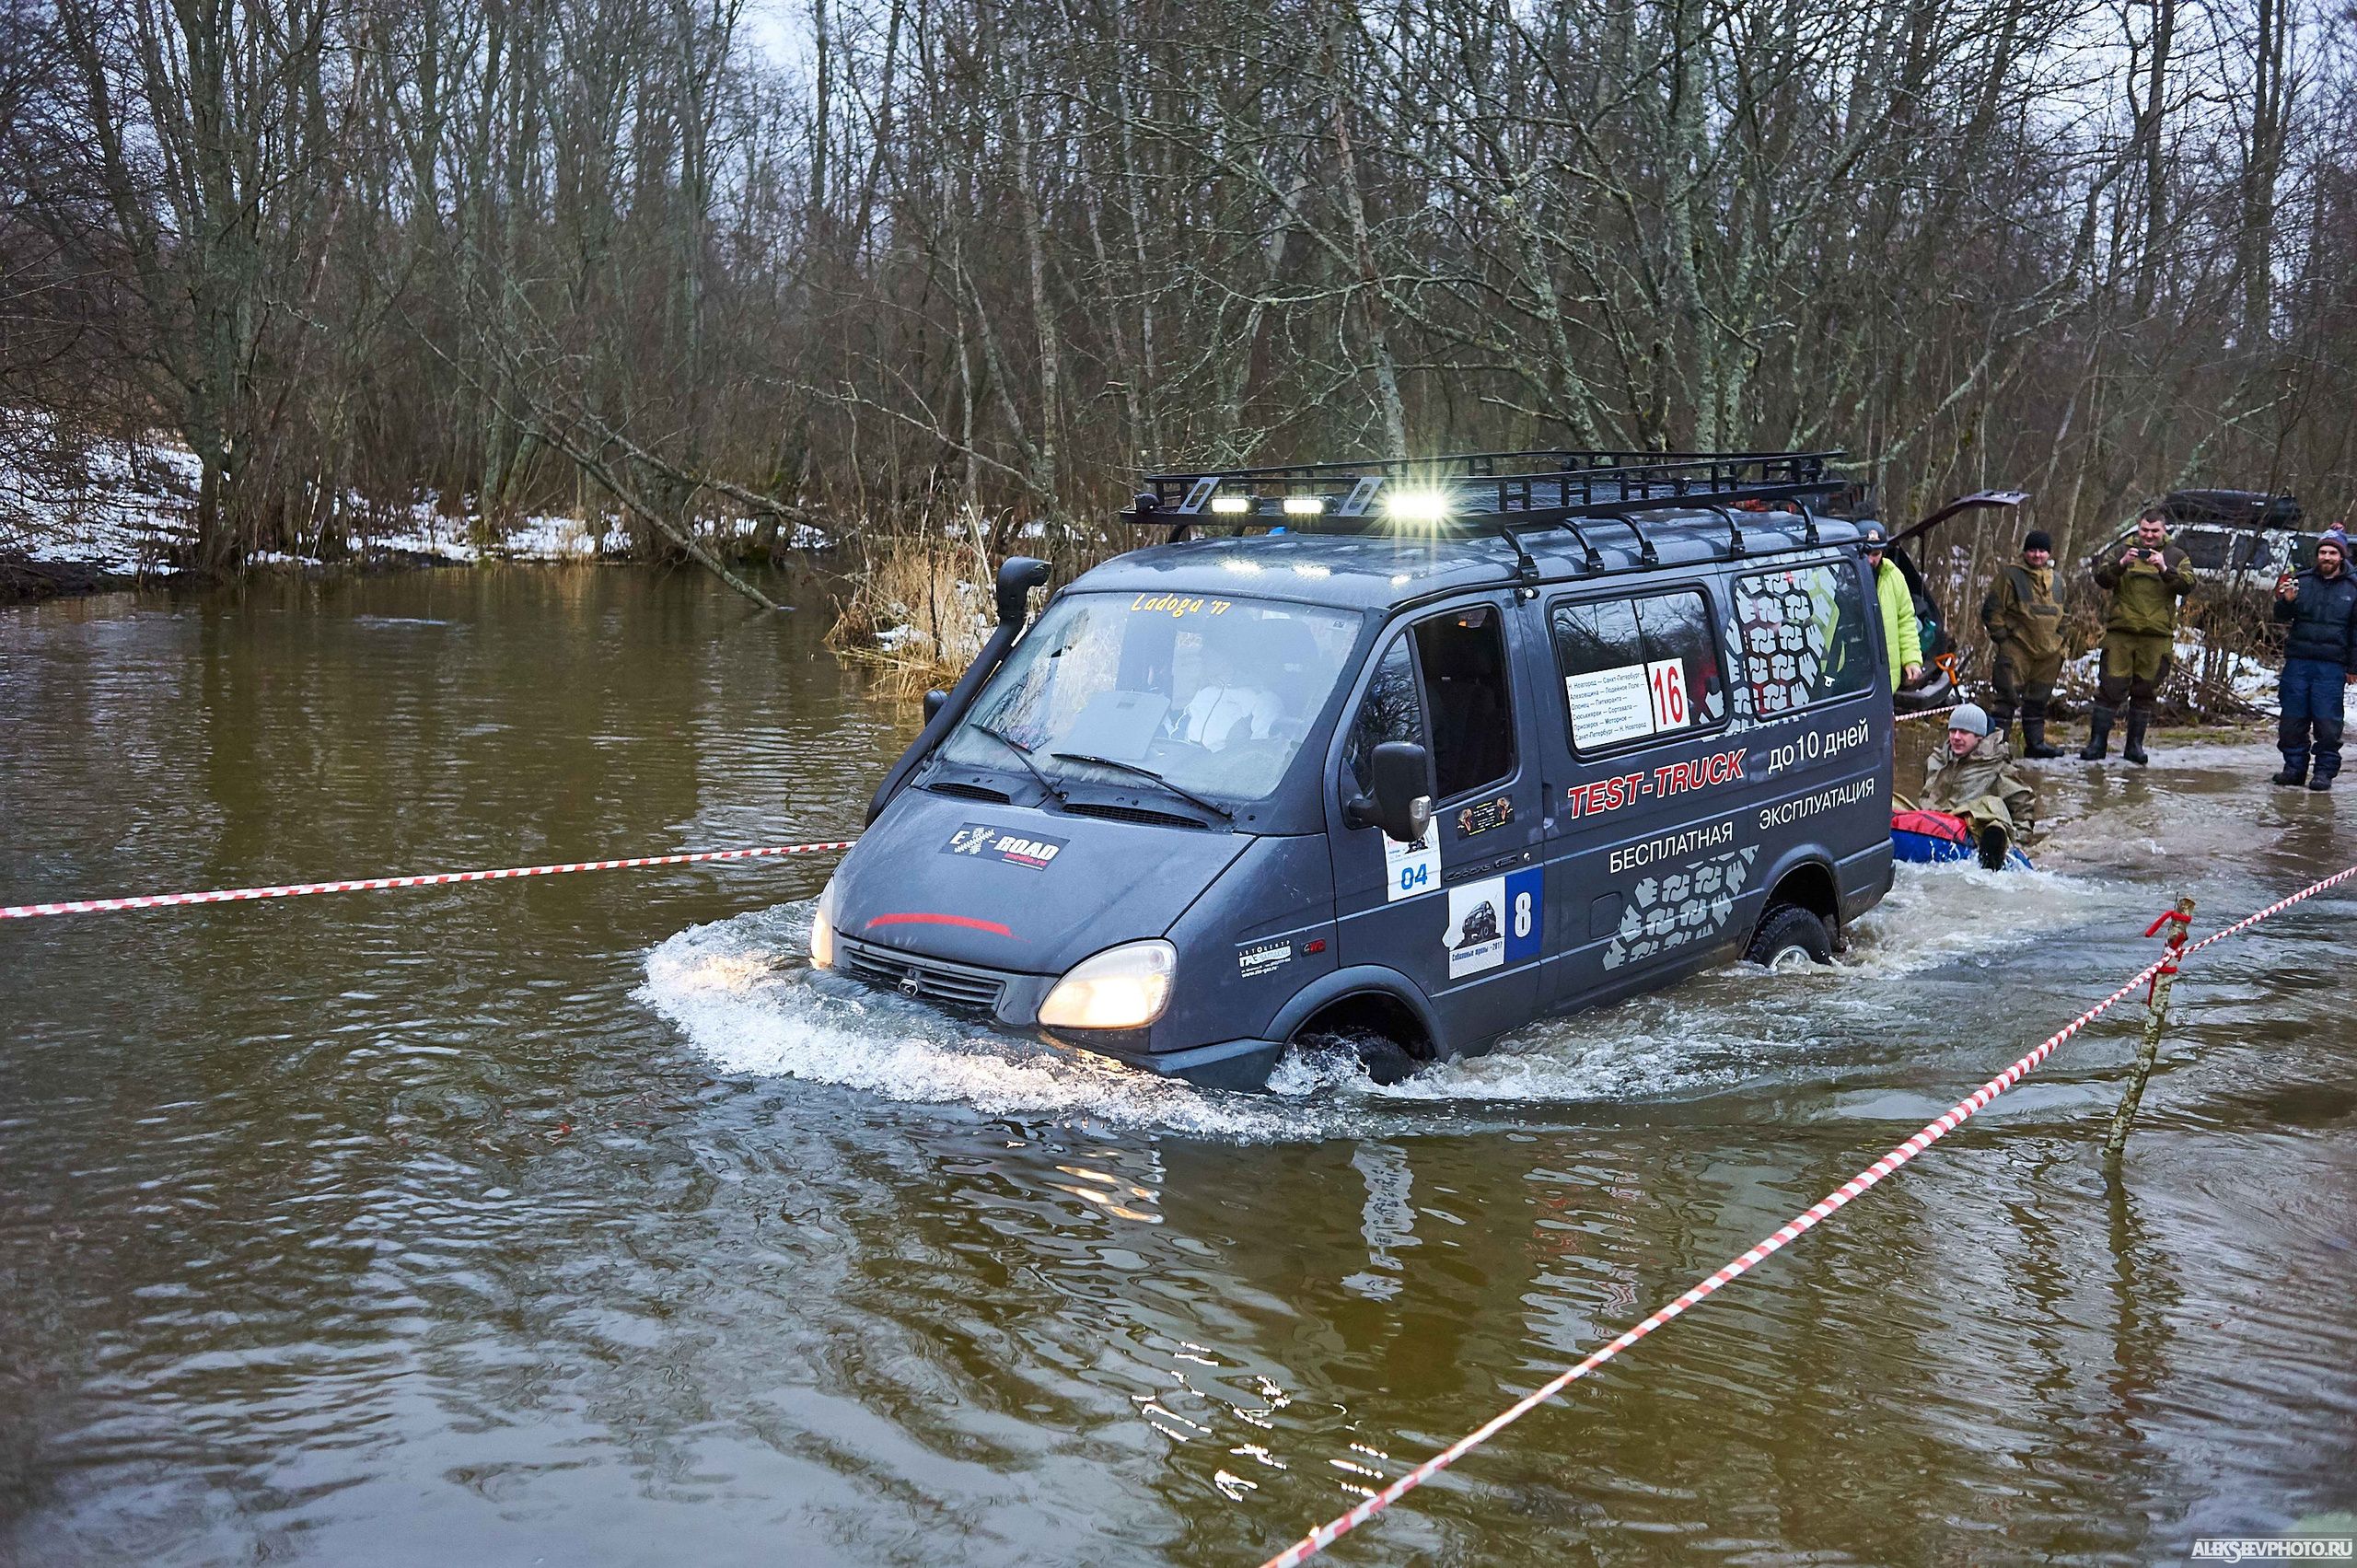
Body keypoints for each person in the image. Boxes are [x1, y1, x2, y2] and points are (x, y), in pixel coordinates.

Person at [2080, 506, 2194, 765]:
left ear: (2164, 530)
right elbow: (2101, 578)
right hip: (2121, 633)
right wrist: (2121, 565)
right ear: (2138, 528)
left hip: (2156, 636)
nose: (2149, 536)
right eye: (2144, 530)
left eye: (2154, 531)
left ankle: (2135, 747)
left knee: (2145, 691)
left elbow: (2188, 584)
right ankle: (2097, 744)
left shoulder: (2176, 555)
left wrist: (2165, 568)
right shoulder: (2122, 550)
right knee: (2110, 688)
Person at [2270, 528, 2357, 791]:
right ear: (2317, 554)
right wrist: (2286, 601)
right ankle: (2294, 768)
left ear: (2341, 556)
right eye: (2323, 552)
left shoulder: (2353, 587)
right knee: (2292, 720)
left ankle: (2324, 772)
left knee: (2327, 723)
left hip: (2332, 665)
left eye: (2332, 553)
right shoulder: (2302, 581)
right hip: (2299, 661)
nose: (2327, 557)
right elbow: (2281, 616)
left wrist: (2353, 666)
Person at [1919, 703, 2038, 869]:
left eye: (1964, 732)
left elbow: (2023, 806)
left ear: (1979, 737)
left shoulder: (1998, 766)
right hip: (1933, 830)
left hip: (1973, 834)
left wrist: (2018, 844)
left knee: (1992, 807)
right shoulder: (1935, 761)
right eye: (1953, 731)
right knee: (1894, 803)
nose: (1956, 737)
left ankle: (1994, 851)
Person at [1980, 529, 2065, 758]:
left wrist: (2062, 639)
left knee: (2038, 700)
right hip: (2017, 648)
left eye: (2042, 551)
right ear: (2025, 551)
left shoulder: (2058, 580)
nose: (2037, 555)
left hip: (2049, 652)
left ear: (2049, 553)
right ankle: (1997, 748)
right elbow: (1992, 610)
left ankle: (2036, 745)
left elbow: (2064, 614)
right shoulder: (2010, 575)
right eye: (2032, 550)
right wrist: (2003, 639)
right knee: (2006, 699)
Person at [1861, 523, 1923, 693]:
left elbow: (1906, 621)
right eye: (1865, 554)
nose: (1870, 560)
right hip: (1849, 672)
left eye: (1876, 554)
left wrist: (1912, 660)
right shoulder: (1839, 576)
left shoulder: (1893, 576)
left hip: (1884, 675)